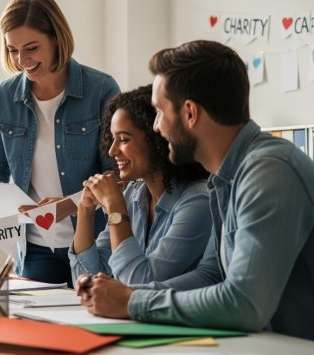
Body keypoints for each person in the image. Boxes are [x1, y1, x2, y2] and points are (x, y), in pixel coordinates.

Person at [77, 40, 314, 341]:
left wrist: (133, 302)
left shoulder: (269, 172)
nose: (157, 127)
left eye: (160, 112)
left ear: (190, 113)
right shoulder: (226, 178)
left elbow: (244, 304)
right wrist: (124, 295)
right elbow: (211, 275)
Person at [0, 0, 121, 285]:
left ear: (57, 39)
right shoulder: (3, 97)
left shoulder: (101, 89)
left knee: (93, 313)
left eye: (32, 48)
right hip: (36, 246)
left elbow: (117, 173)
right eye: (12, 50)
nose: (22, 60)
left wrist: (71, 205)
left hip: (96, 242)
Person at [68, 84, 210, 285]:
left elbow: (140, 283)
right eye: (112, 139)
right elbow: (85, 280)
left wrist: (116, 209)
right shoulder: (132, 195)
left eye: (123, 139)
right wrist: (85, 210)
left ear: (157, 138)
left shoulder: (198, 203)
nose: (112, 151)